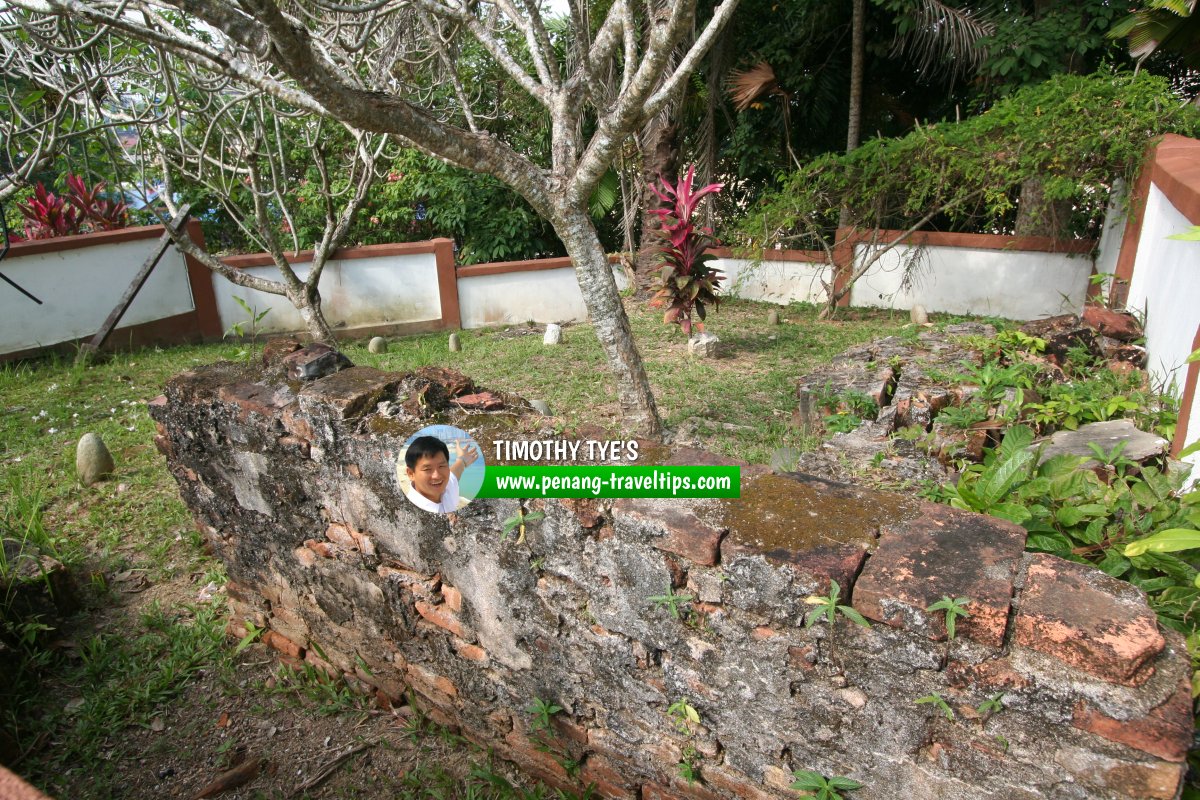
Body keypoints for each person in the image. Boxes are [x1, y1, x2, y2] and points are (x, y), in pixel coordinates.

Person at [403, 435, 479, 514]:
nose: (437, 476)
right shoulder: (411, 511)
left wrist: (462, 460)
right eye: (427, 469)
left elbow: (454, 474)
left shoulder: (446, 488)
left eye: (441, 466)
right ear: (411, 474)